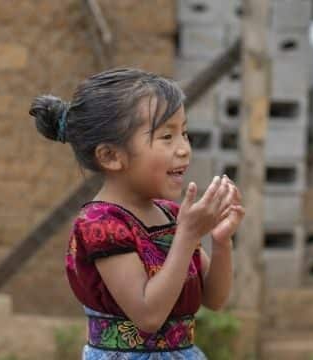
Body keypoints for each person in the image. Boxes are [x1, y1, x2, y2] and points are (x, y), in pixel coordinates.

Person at [29, 68, 245, 359]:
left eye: (184, 133)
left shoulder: (170, 215)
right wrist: (189, 234)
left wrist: (221, 242)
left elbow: (214, 299)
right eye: (167, 136)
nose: (184, 148)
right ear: (111, 156)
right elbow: (148, 315)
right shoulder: (101, 223)